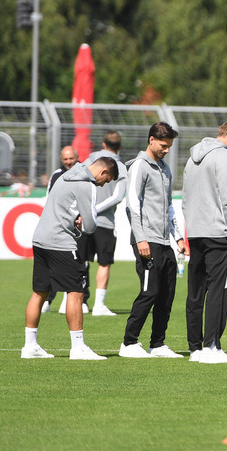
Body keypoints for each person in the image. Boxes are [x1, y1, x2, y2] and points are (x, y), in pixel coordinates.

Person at [21, 156, 118, 360]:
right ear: (103, 172)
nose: (103, 184)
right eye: (106, 181)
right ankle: (78, 348)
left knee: (39, 292)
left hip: (40, 239)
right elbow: (91, 226)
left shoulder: (66, 175)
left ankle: (29, 346)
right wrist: (82, 221)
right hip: (61, 243)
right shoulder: (87, 185)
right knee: (76, 292)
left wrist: (75, 218)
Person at [119, 122, 188, 359]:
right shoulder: (139, 166)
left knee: (166, 294)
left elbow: (168, 206)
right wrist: (141, 238)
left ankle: (157, 344)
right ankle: (129, 343)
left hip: (164, 241)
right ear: (151, 140)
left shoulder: (165, 169)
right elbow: (132, 204)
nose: (166, 149)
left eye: (169, 146)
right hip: (146, 239)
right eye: (163, 145)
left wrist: (177, 236)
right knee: (149, 291)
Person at [182, 122, 227, 364]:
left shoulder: (192, 158)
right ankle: (212, 346)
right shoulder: (224, 156)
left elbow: (185, 198)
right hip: (218, 232)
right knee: (220, 289)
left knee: (196, 290)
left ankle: (195, 348)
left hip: (195, 231)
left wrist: (192, 226)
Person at [80, 131, 128, 316]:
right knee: (104, 263)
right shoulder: (121, 167)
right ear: (120, 147)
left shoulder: (87, 161)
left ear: (103, 144)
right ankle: (99, 305)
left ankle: (82, 301)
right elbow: (117, 197)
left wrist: (87, 211)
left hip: (84, 220)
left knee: (83, 260)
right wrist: (97, 210)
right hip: (105, 222)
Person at [42, 146, 81, 314]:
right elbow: (49, 199)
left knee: (75, 266)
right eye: (65, 159)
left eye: (71, 159)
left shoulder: (83, 174)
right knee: (51, 267)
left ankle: (69, 300)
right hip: (57, 228)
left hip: (76, 228)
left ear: (77, 157)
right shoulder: (56, 175)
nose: (68, 162)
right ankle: (48, 300)